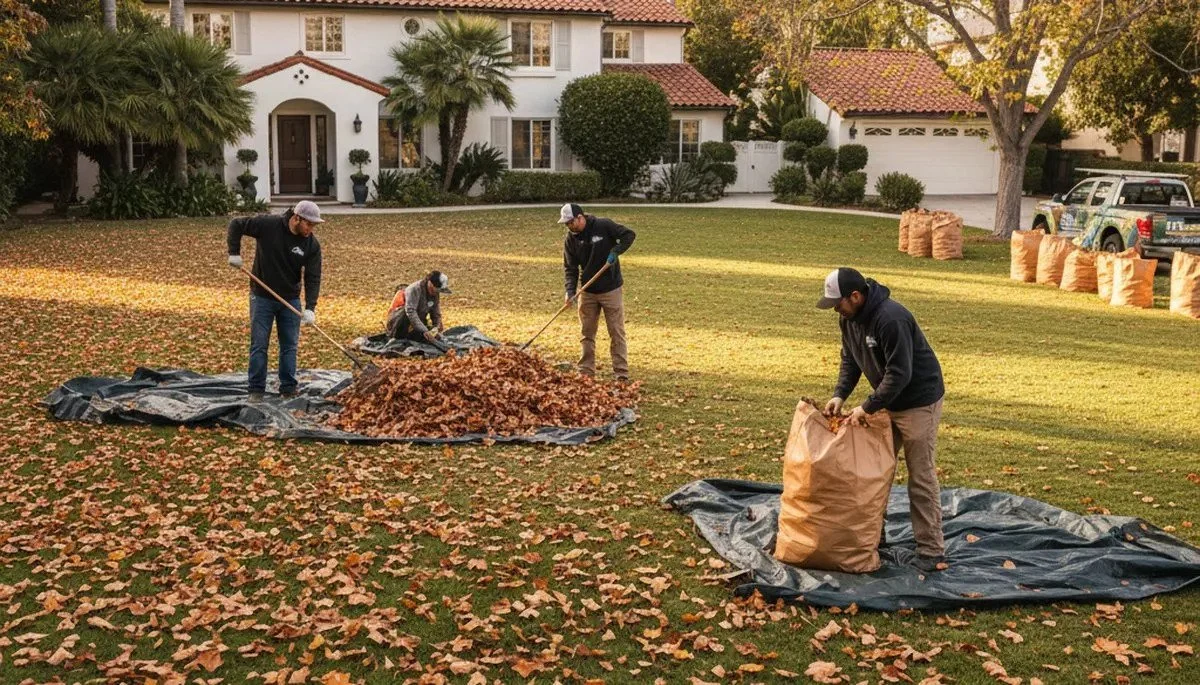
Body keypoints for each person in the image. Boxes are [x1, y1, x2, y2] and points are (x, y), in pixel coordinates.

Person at [817, 267, 947, 572]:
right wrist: (840, 395)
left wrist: (868, 407)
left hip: (918, 402)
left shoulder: (891, 319)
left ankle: (931, 550)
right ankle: (873, 536)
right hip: (887, 399)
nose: (835, 308)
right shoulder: (848, 319)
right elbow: (850, 359)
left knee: (921, 475)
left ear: (856, 296)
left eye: (838, 303)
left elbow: (900, 374)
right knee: (875, 470)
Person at [226, 200, 323, 402]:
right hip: (261, 296)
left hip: (290, 299)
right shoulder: (268, 225)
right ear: (297, 218)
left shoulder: (311, 245)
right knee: (259, 344)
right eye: (309, 224)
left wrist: (310, 307)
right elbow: (236, 224)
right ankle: (256, 390)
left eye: (314, 225)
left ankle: (288, 388)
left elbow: (313, 277)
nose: (310, 229)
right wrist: (234, 253)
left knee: (289, 346)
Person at [559, 203, 635, 380]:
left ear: (580, 217)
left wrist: (616, 251)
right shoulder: (571, 240)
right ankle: (586, 372)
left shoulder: (603, 225)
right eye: (566, 224)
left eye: (571, 222)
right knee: (587, 333)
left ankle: (621, 373)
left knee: (616, 332)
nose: (569, 226)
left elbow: (629, 235)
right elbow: (570, 268)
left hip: (611, 289)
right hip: (587, 292)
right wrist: (570, 292)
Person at [386, 271, 452, 343]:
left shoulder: (435, 293)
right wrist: (424, 330)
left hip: (418, 323)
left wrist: (437, 325)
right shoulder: (414, 289)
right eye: (436, 289)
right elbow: (410, 312)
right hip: (400, 321)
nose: (437, 293)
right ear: (430, 283)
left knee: (432, 338)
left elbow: (435, 311)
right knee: (406, 315)